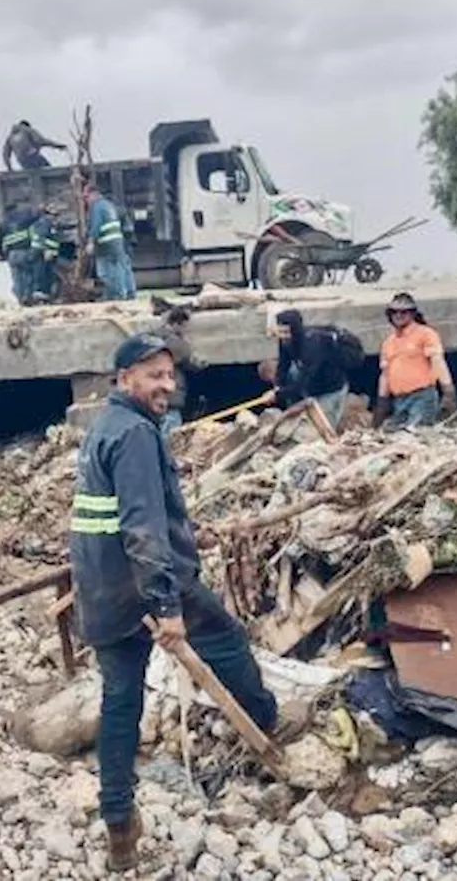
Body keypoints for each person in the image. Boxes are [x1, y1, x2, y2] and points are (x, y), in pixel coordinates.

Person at [70, 334, 303, 871]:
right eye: (153, 375)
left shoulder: (104, 428)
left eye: (169, 375)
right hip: (143, 589)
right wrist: (167, 606)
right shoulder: (134, 435)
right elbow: (141, 529)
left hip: (104, 590)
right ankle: (267, 722)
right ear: (124, 377)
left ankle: (119, 824)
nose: (166, 386)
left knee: (120, 701)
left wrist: (188, 535)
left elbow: (123, 516)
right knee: (225, 637)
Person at [373, 293, 457, 430]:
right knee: (392, 433)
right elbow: (385, 375)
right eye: (394, 312)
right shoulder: (388, 343)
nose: (398, 315)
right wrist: (382, 403)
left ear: (412, 314)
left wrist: (448, 390)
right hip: (399, 400)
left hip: (422, 397)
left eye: (404, 312)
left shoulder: (425, 334)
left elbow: (438, 362)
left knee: (416, 432)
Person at [264, 309, 350, 433]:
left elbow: (303, 382)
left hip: (330, 390)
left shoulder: (312, 346)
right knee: (292, 374)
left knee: (324, 432)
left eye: (286, 332)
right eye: (280, 332)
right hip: (312, 387)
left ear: (295, 331)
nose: (283, 336)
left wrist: (278, 395)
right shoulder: (285, 341)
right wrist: (277, 386)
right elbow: (283, 365)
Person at [155, 308, 206, 435]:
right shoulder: (175, 343)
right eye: (184, 326)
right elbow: (189, 360)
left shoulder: (154, 336)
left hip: (156, 395)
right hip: (171, 396)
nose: (186, 329)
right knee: (171, 435)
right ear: (177, 324)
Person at [85, 184, 136, 301]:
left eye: (87, 197)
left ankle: (116, 294)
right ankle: (129, 293)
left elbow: (96, 225)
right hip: (117, 242)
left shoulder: (96, 206)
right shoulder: (109, 205)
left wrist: (91, 242)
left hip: (105, 244)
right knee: (122, 268)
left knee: (104, 272)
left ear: (94, 194)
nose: (86, 201)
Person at [0, 203, 38, 305]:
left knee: (17, 278)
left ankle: (20, 299)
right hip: (23, 251)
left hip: (11, 254)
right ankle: (27, 297)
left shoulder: (3, 224)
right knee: (28, 275)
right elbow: (35, 217)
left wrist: (3, 255)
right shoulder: (23, 219)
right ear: (15, 209)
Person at [1, 119, 68, 171]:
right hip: (32, 156)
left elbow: (5, 154)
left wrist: (9, 168)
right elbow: (40, 140)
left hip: (22, 161)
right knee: (48, 168)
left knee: (31, 172)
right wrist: (57, 146)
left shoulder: (10, 137)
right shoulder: (27, 129)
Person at [28, 203, 61, 302]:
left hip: (46, 254)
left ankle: (45, 296)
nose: (55, 217)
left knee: (47, 275)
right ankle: (39, 294)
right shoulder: (44, 223)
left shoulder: (50, 224)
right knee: (40, 273)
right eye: (53, 215)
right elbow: (41, 238)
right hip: (40, 253)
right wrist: (46, 250)